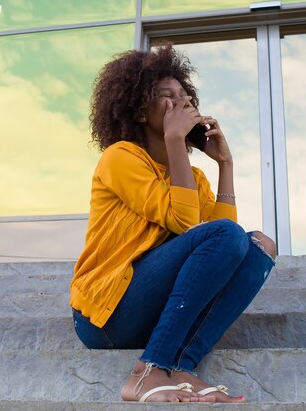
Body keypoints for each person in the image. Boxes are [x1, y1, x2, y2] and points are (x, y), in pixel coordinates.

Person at [70, 44, 276, 403]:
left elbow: (229, 250)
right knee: (225, 234)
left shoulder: (194, 177)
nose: (181, 103)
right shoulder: (120, 158)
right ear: (137, 111)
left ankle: (181, 366)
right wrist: (175, 139)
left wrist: (225, 166)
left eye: (185, 95)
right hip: (106, 317)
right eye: (168, 96)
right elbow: (186, 223)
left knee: (259, 244)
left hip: (154, 311)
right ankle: (148, 371)